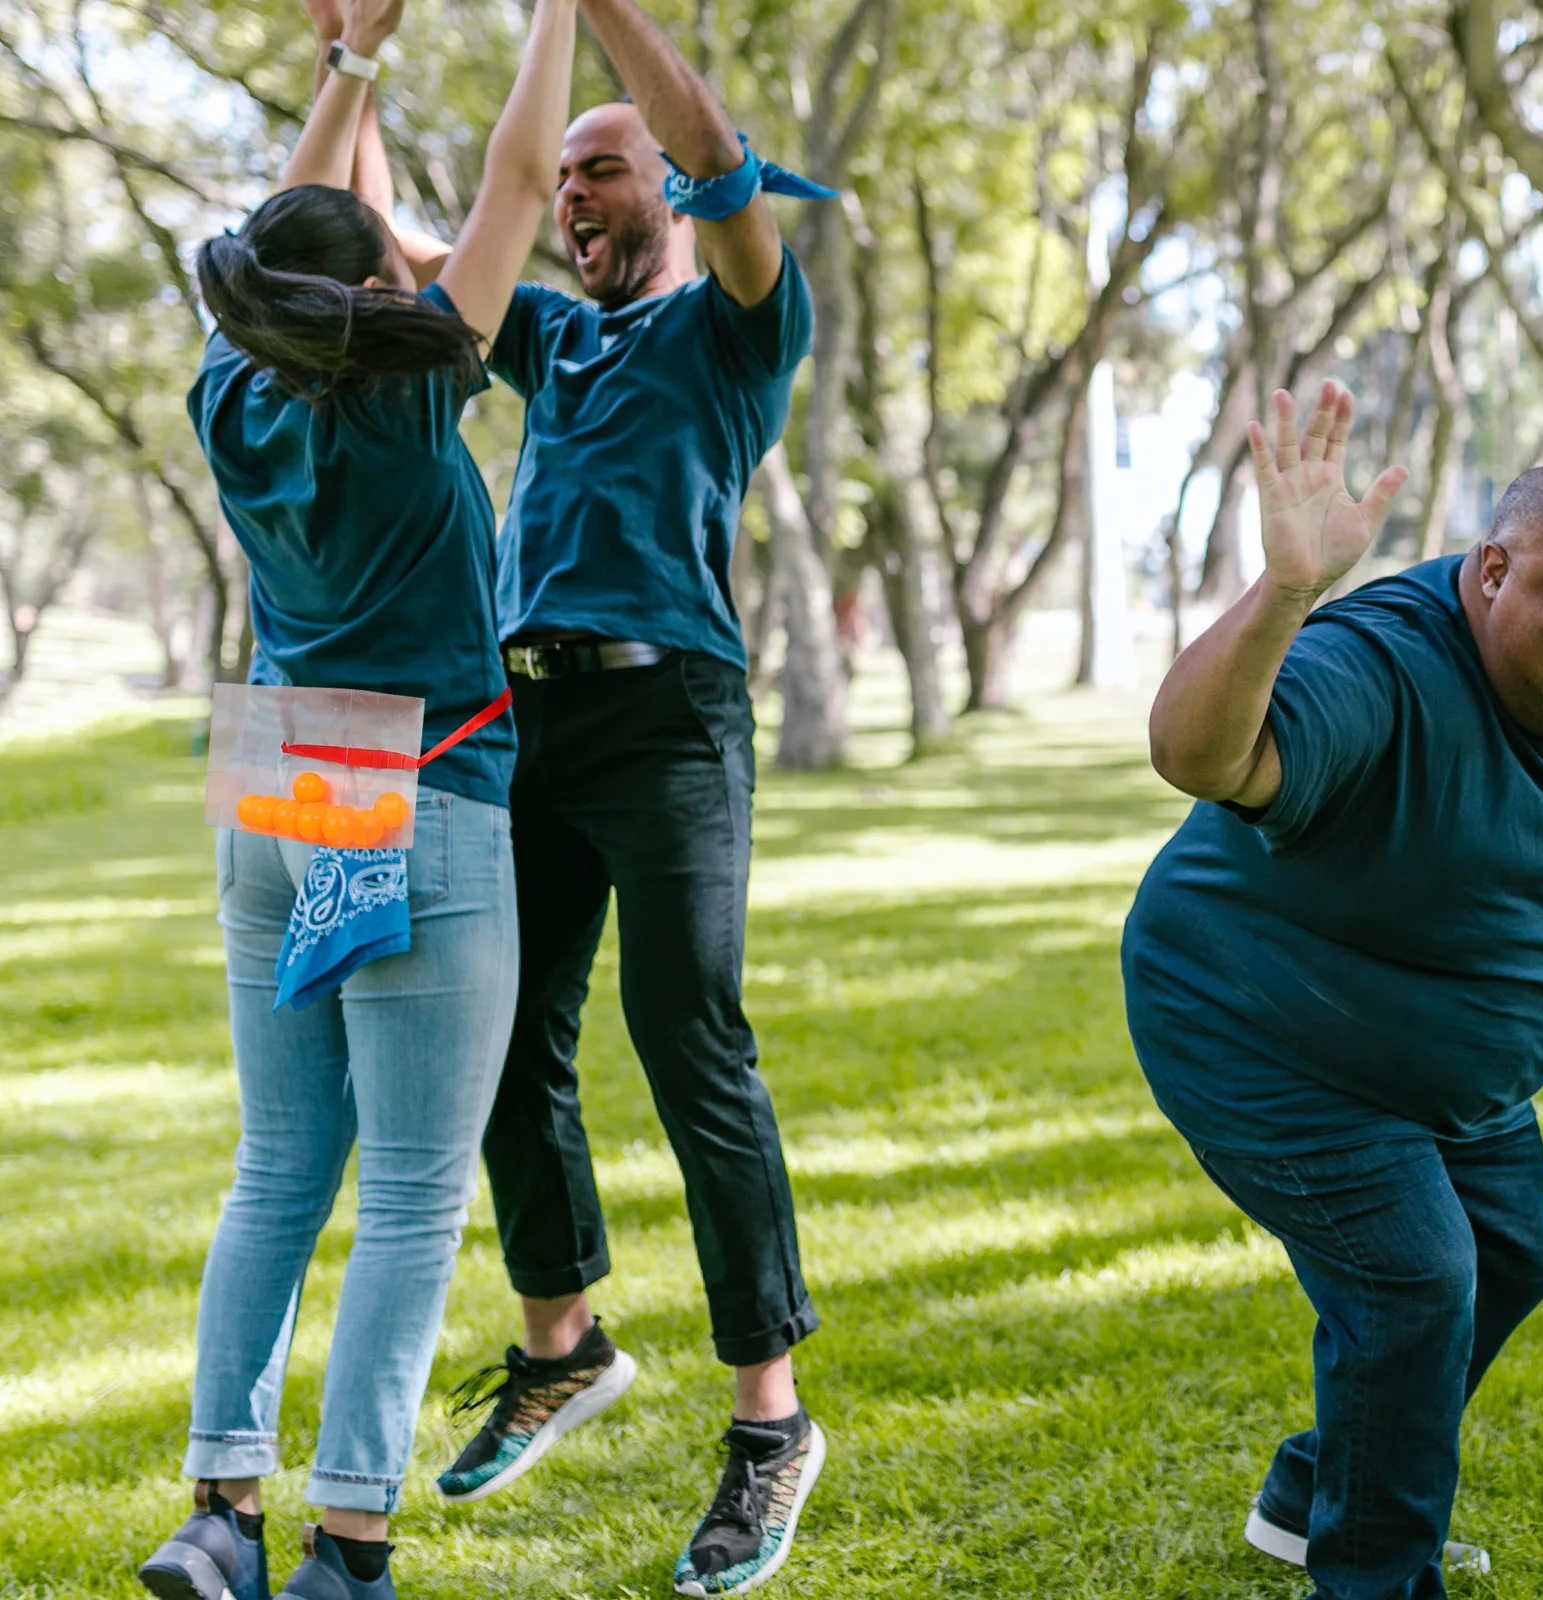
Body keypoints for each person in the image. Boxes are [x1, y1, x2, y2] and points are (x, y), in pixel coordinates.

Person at [343, 0, 824, 1591]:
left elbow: (713, 151)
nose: (573, 196)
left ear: (665, 195)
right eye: (561, 183)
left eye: (601, 171)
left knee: (692, 1042)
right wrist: (350, 68)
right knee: (494, 1046)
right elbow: (402, 251)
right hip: (519, 728)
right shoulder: (554, 337)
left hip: (671, 715)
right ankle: (562, 1342)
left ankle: (769, 1423)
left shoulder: (739, 319)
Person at [135, 2, 576, 1597]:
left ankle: (219, 1514)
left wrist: (355, 61)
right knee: (406, 1193)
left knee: (276, 1168)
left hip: (275, 782)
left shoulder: (229, 395)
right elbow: (527, 167)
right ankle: (348, 1543)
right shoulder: (405, 391)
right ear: (379, 290)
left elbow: (286, 233)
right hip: (422, 786)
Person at [1121, 379, 1543, 1600]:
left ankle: (1314, 1485)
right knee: (1415, 1279)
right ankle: (1373, 1577)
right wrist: (1287, 592)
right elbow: (1199, 752)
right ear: (1491, 572)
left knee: (1508, 1257)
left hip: (1434, 1052)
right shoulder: (1383, 660)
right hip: (1256, 1026)